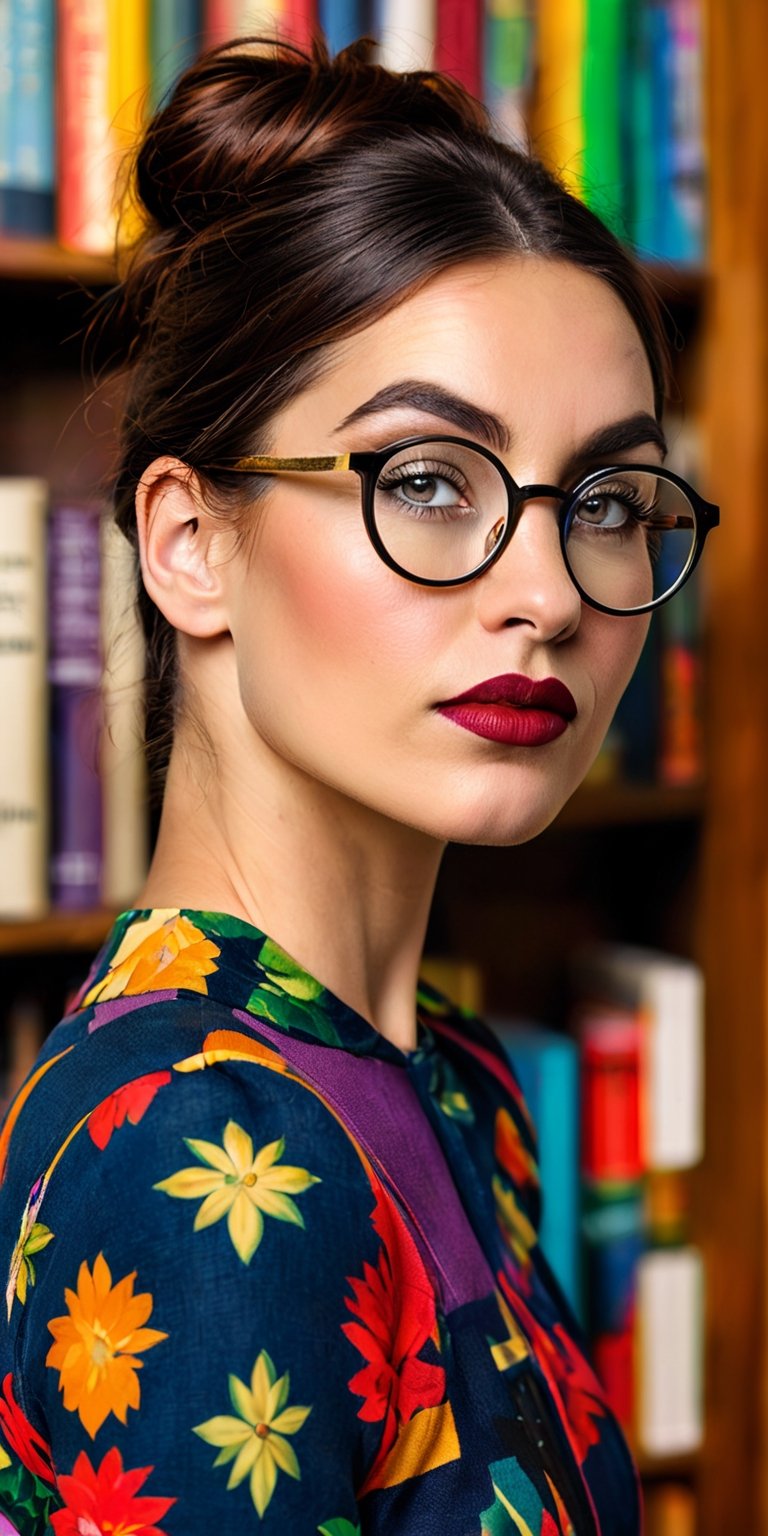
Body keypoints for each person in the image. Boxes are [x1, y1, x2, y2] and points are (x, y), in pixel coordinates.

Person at [0, 34, 718, 1536]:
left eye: (604, 501)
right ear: (190, 541)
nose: (548, 594)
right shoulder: (200, 1156)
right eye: (429, 480)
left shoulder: (457, 1083)